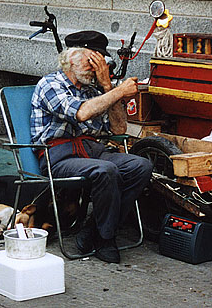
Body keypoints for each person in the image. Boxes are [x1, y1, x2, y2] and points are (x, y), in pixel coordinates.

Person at [30, 30, 153, 263]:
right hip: (58, 156)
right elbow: (82, 112)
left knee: (141, 166)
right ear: (72, 58)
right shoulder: (50, 84)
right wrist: (119, 90)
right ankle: (106, 238)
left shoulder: (92, 90)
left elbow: (118, 129)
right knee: (105, 171)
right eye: (92, 60)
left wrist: (108, 87)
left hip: (91, 150)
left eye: (100, 62)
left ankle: (93, 228)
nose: (98, 67)